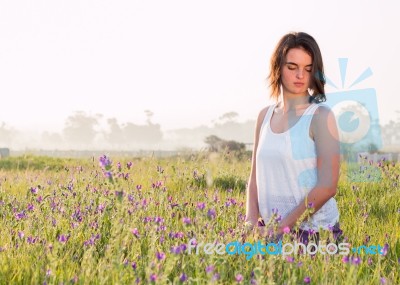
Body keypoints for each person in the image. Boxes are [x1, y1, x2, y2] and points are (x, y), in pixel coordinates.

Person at [244, 32, 342, 244]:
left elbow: (327, 186)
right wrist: (251, 222)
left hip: (314, 235)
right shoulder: (264, 116)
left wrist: (282, 228)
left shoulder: (321, 116)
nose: (300, 75)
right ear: (278, 67)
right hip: (269, 233)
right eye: (292, 67)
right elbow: (254, 179)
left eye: (307, 69)